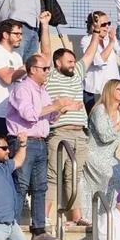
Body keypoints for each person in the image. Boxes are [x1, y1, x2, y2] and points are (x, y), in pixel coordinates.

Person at [8, 48, 82, 240]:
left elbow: (49, 118)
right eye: (45, 68)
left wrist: (63, 109)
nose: (48, 72)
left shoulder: (42, 90)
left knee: (40, 187)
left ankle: (39, 228)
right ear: (32, 69)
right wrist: (56, 106)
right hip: (24, 143)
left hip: (41, 142)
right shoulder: (22, 88)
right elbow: (29, 114)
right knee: (21, 185)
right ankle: (12, 225)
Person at [46, 42, 95, 225]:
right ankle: (44, 216)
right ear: (58, 63)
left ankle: (77, 217)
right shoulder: (50, 75)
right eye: (69, 61)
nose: (73, 64)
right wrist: (44, 26)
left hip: (80, 133)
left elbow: (89, 55)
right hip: (59, 131)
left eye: (74, 61)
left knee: (75, 176)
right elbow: (45, 50)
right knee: (52, 176)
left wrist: (97, 34)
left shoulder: (76, 75)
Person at [76, 80, 120, 225]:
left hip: (110, 157)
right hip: (93, 155)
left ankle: (118, 217)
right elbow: (104, 136)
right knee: (111, 176)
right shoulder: (100, 110)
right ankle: (104, 216)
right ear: (110, 91)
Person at [0, 135, 29, 240]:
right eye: (4, 148)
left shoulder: (4, 165)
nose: (8, 151)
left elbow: (19, 161)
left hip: (10, 222)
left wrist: (23, 145)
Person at [0, 19, 27, 138]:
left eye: (21, 34)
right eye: (16, 34)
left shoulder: (17, 56)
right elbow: (7, 78)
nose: (20, 37)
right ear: (5, 35)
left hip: (13, 115)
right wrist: (27, 67)